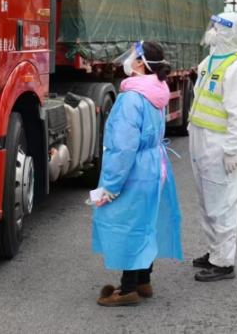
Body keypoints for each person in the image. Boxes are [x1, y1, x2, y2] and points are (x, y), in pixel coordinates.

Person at [91, 40, 183, 307]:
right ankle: (144, 279)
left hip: (135, 169)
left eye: (132, 56)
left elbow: (122, 147)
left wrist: (110, 184)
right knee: (146, 222)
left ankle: (127, 288)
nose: (127, 60)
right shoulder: (157, 90)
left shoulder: (131, 97)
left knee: (128, 224)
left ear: (141, 63)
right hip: (155, 164)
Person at [188, 12, 237, 282]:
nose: (212, 31)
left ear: (230, 32)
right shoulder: (210, 60)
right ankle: (213, 251)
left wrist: (232, 150)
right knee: (207, 201)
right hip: (202, 138)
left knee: (223, 203)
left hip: (221, 143)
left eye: (218, 28)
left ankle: (224, 262)